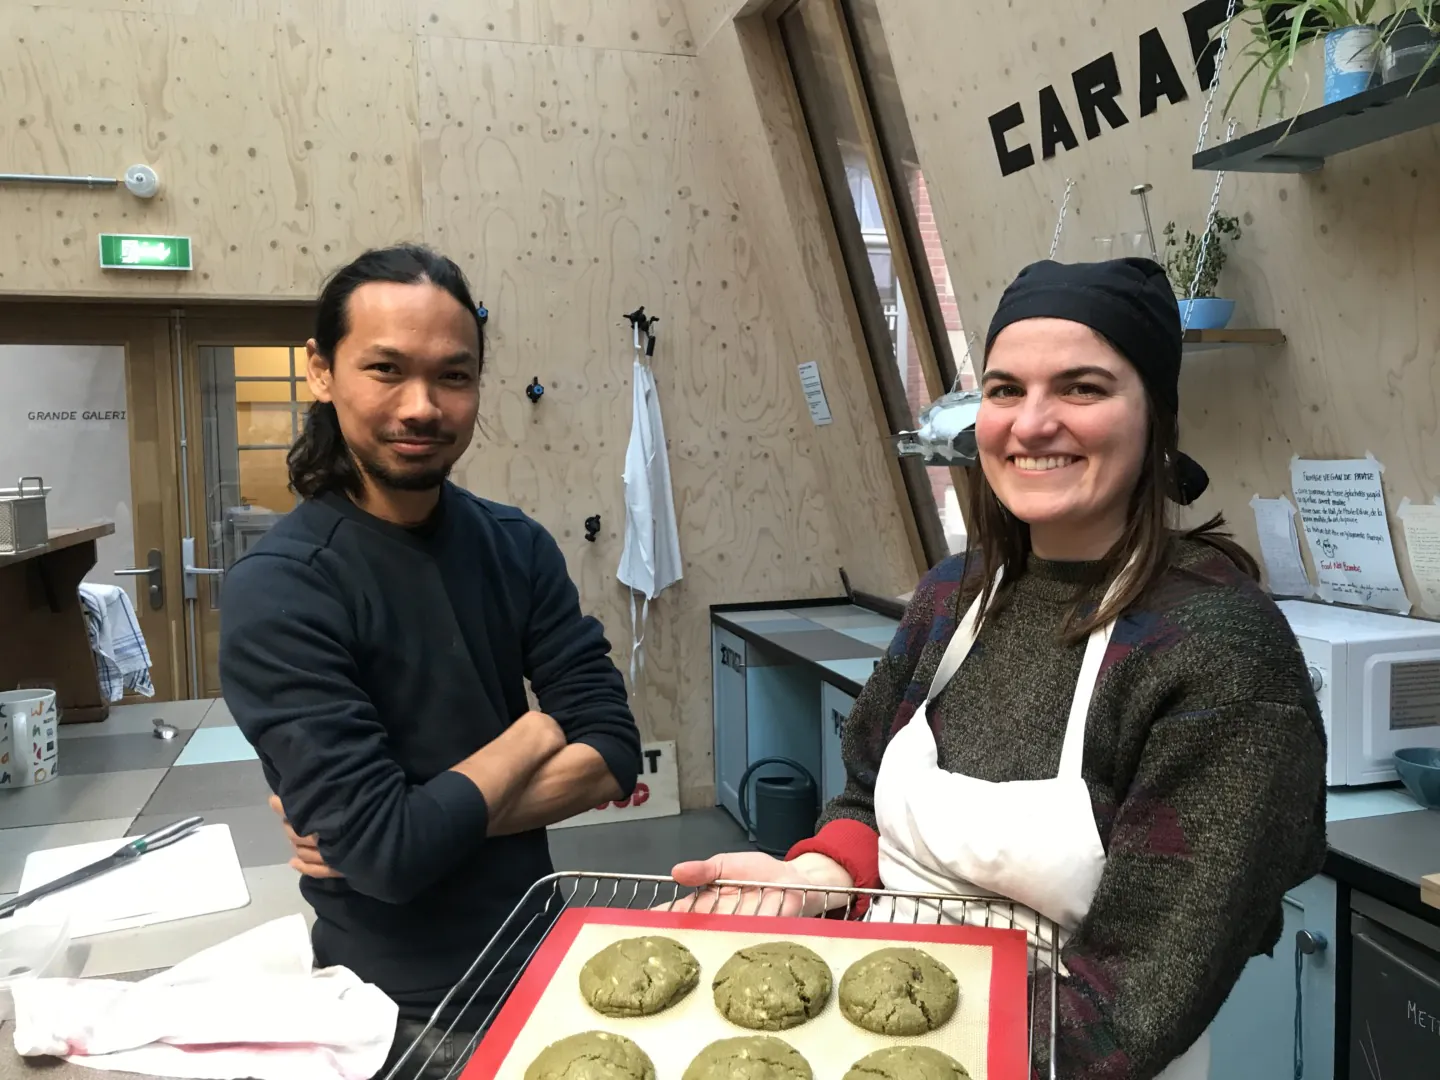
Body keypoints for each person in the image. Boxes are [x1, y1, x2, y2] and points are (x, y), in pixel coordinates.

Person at [672, 258, 1327, 1080]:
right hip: (885, 1039)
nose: (1032, 423)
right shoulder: (955, 595)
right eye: (1005, 389)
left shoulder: (1218, 654)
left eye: (1082, 389)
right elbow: (864, 795)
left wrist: (875, 1057)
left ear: (1155, 416)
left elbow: (1129, 1006)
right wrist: (816, 871)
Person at [218, 245, 642, 1075]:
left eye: (453, 376)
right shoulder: (282, 587)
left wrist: (407, 825)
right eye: (386, 369)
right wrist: (534, 732)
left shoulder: (515, 545)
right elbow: (387, 855)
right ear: (321, 371)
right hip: (394, 1014)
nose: (422, 406)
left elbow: (614, 750)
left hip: (540, 961)